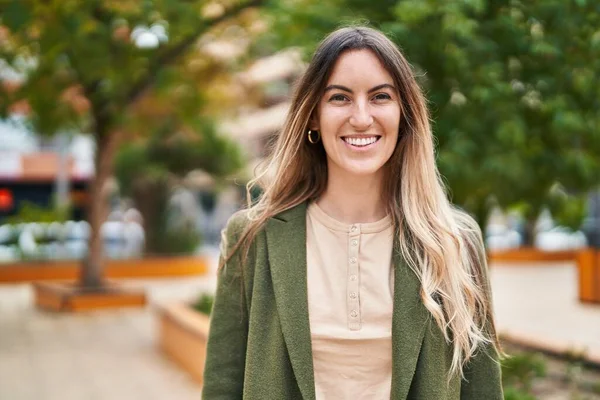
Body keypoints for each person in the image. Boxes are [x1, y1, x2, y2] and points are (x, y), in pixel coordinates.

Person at [203, 26, 504, 399]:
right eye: (340, 98)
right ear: (313, 116)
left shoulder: (453, 241)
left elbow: (483, 391)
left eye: (380, 97)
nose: (361, 118)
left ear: (403, 113)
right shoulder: (253, 237)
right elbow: (222, 386)